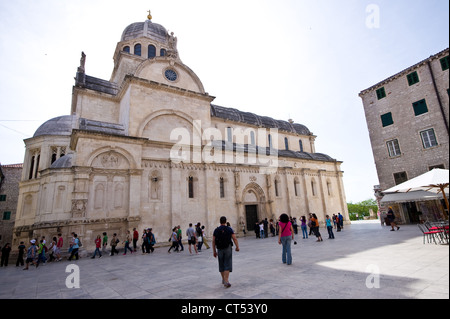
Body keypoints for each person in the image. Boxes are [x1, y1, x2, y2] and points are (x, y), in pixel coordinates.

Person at [212, 216, 240, 288]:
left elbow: (213, 241)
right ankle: (226, 281)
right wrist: (237, 247)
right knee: (227, 263)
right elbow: (234, 238)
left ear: (220, 221)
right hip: (227, 248)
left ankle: (223, 279)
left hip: (219, 248)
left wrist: (214, 251)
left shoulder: (216, 230)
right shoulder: (229, 229)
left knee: (221, 264)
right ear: (225, 221)